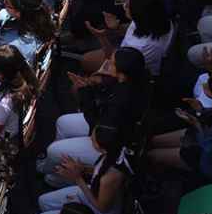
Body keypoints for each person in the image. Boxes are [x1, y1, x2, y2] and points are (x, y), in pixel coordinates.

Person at [39, 47, 149, 185]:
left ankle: (56, 179)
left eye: (112, 63)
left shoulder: (123, 99)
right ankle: (59, 166)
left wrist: (85, 94)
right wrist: (89, 88)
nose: (107, 63)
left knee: (53, 150)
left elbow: (100, 138)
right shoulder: (131, 81)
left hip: (111, 151)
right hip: (107, 129)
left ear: (122, 74)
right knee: (63, 122)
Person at [35, 124, 133, 214]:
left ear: (102, 148)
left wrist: (77, 178)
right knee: (43, 201)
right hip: (93, 192)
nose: (90, 140)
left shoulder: (110, 179)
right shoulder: (113, 153)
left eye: (93, 141)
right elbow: (100, 170)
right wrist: (82, 169)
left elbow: (102, 207)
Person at [83, 0, 174, 76]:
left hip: (130, 71)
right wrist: (117, 27)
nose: (125, 4)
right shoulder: (158, 19)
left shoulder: (141, 46)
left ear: (139, 15)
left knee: (86, 60)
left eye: (129, 6)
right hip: (126, 52)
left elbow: (115, 62)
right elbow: (133, 30)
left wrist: (101, 37)